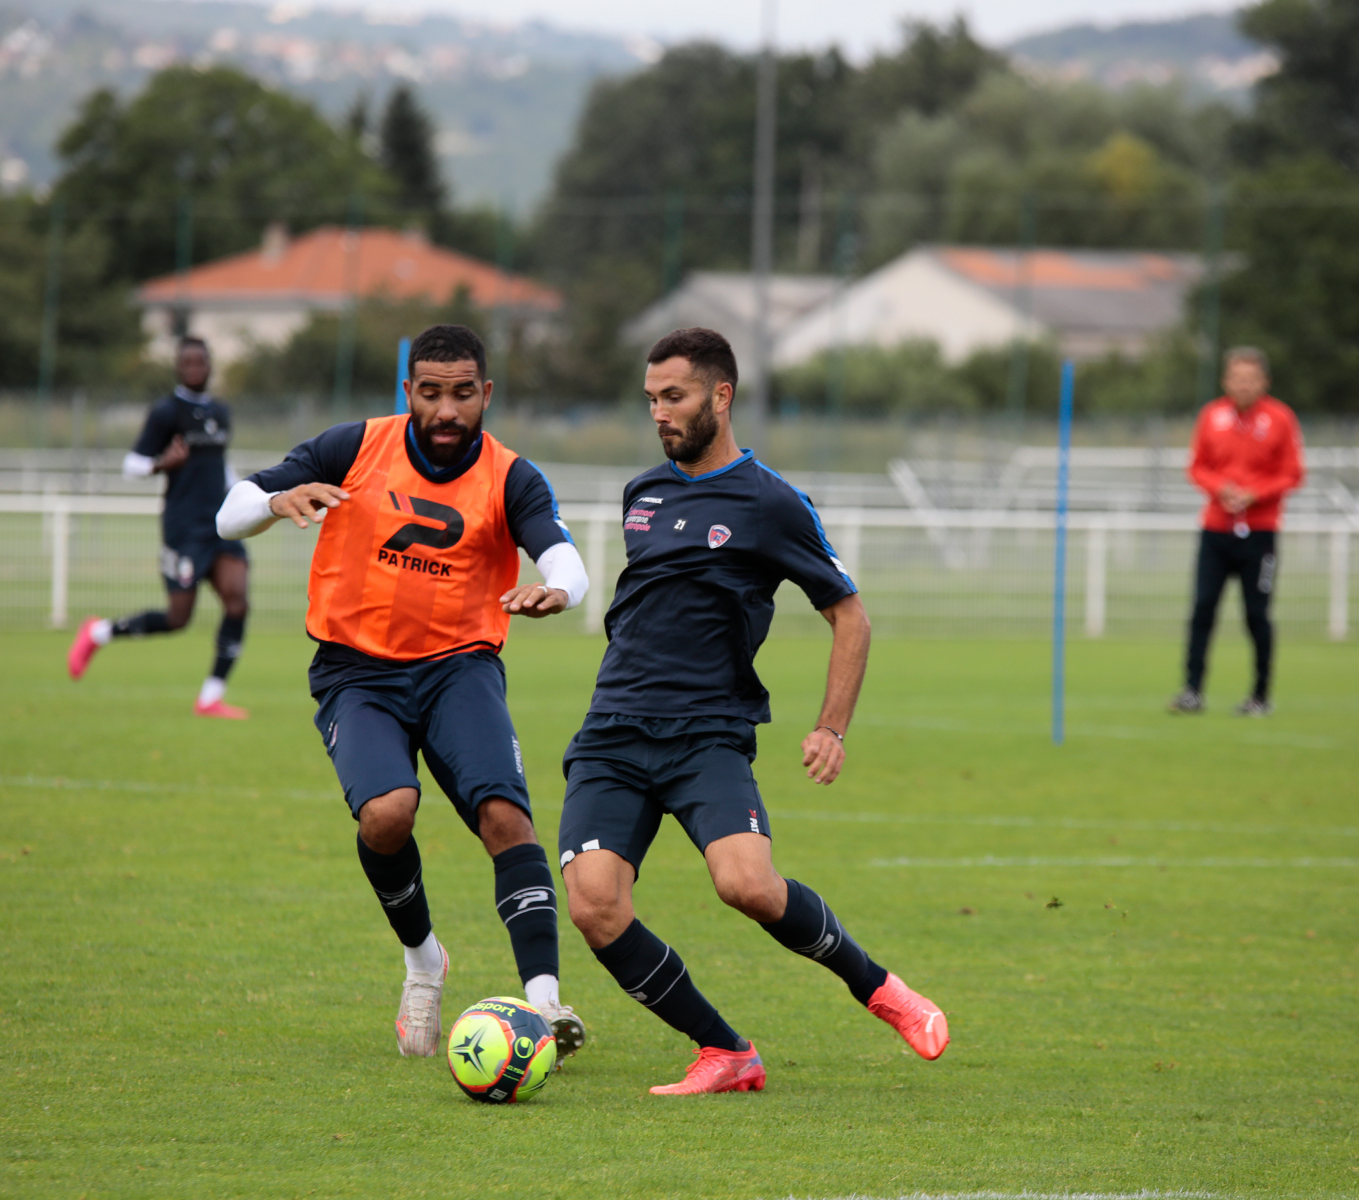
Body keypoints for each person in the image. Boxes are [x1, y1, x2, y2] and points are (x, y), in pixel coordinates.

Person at [558, 327, 948, 1096]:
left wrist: (831, 726)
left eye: (674, 397)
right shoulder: (643, 494)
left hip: (707, 732)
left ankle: (880, 988)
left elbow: (850, 616)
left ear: (721, 395)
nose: (659, 412)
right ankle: (724, 1050)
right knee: (594, 905)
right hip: (613, 730)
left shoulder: (771, 501)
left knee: (747, 885)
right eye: (651, 399)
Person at [215, 324, 590, 1061]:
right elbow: (231, 512)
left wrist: (559, 590)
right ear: (409, 391)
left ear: (486, 394)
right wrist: (277, 500)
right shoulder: (354, 446)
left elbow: (562, 554)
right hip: (356, 671)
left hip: (460, 668)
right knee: (387, 815)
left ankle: (544, 1003)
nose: (447, 410)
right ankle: (424, 961)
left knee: (506, 818)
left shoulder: (511, 476)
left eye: (463, 394)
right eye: (431, 393)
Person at [66, 336, 251, 718]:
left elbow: (220, 464)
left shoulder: (221, 411)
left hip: (220, 523)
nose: (195, 369)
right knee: (177, 618)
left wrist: (246, 495)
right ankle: (99, 633)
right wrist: (160, 464)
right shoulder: (167, 412)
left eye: (201, 362)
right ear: (178, 368)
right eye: (188, 363)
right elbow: (131, 465)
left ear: (210, 366)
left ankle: (210, 697)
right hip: (183, 528)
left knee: (238, 602)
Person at [1169, 347, 1304, 717]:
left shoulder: (1280, 418)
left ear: (1265, 381)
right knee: (1202, 609)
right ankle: (1192, 691)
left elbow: (1292, 473)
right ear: (1225, 380)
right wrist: (1220, 489)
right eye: (1237, 378)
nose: (1243, 385)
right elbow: (1197, 467)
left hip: (1260, 533)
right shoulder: (1211, 416)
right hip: (1216, 530)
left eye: (1251, 378)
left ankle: (1260, 696)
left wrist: (1255, 494)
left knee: (1257, 615)